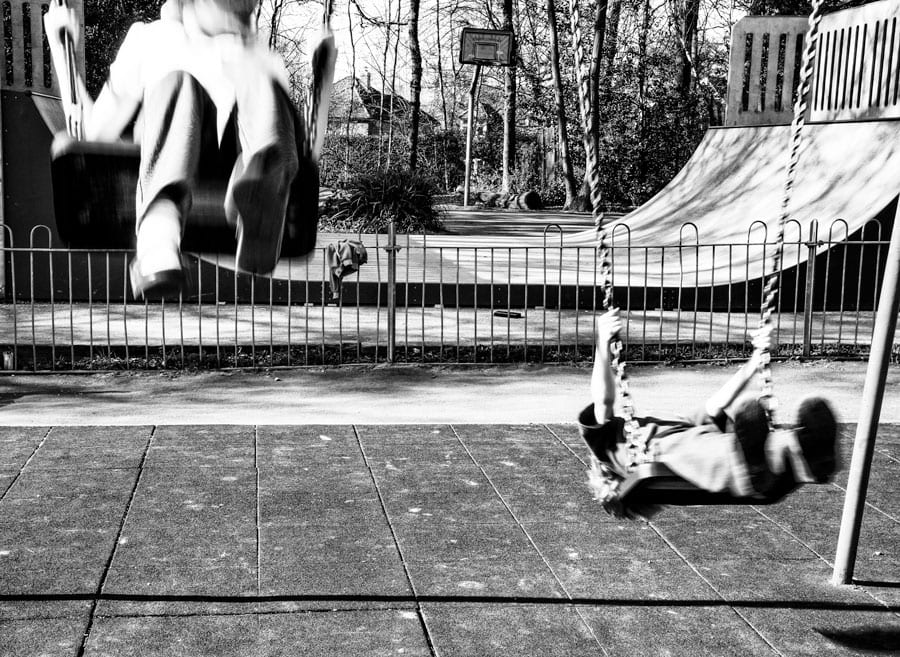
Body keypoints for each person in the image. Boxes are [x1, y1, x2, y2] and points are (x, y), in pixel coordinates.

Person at [44, 0, 306, 299]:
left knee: (264, 85)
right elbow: (93, 135)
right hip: (168, 155)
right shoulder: (152, 39)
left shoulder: (261, 58)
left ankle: (262, 198)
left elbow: (298, 150)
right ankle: (159, 232)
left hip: (234, 174)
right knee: (180, 84)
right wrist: (62, 52)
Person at [579, 308, 838, 517]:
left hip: (725, 451)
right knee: (721, 450)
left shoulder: (666, 425)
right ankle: (757, 466)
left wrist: (756, 360)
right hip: (714, 463)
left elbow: (715, 406)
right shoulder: (612, 448)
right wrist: (602, 340)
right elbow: (603, 399)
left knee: (768, 440)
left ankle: (814, 454)